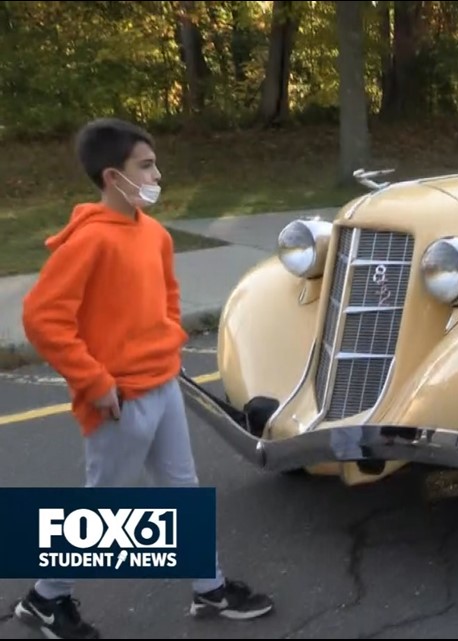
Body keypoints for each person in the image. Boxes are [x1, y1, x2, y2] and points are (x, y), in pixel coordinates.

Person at [12, 118, 274, 640]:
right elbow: (43, 318)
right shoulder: (88, 242)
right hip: (118, 398)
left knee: (182, 488)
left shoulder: (152, 234)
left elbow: (167, 299)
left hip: (163, 383)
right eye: (146, 165)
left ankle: (209, 587)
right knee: (105, 506)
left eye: (154, 163)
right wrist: (93, 381)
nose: (157, 174)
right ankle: (45, 598)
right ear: (113, 176)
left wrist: (170, 340)